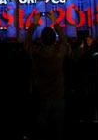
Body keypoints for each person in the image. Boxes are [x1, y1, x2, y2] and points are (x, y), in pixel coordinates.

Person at [24, 12, 69, 140]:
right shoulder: (59, 52)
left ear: (41, 39)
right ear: (54, 39)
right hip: (58, 94)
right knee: (59, 128)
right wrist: (55, 21)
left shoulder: (37, 53)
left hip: (42, 94)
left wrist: (34, 24)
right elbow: (64, 40)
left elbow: (27, 43)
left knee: (41, 127)